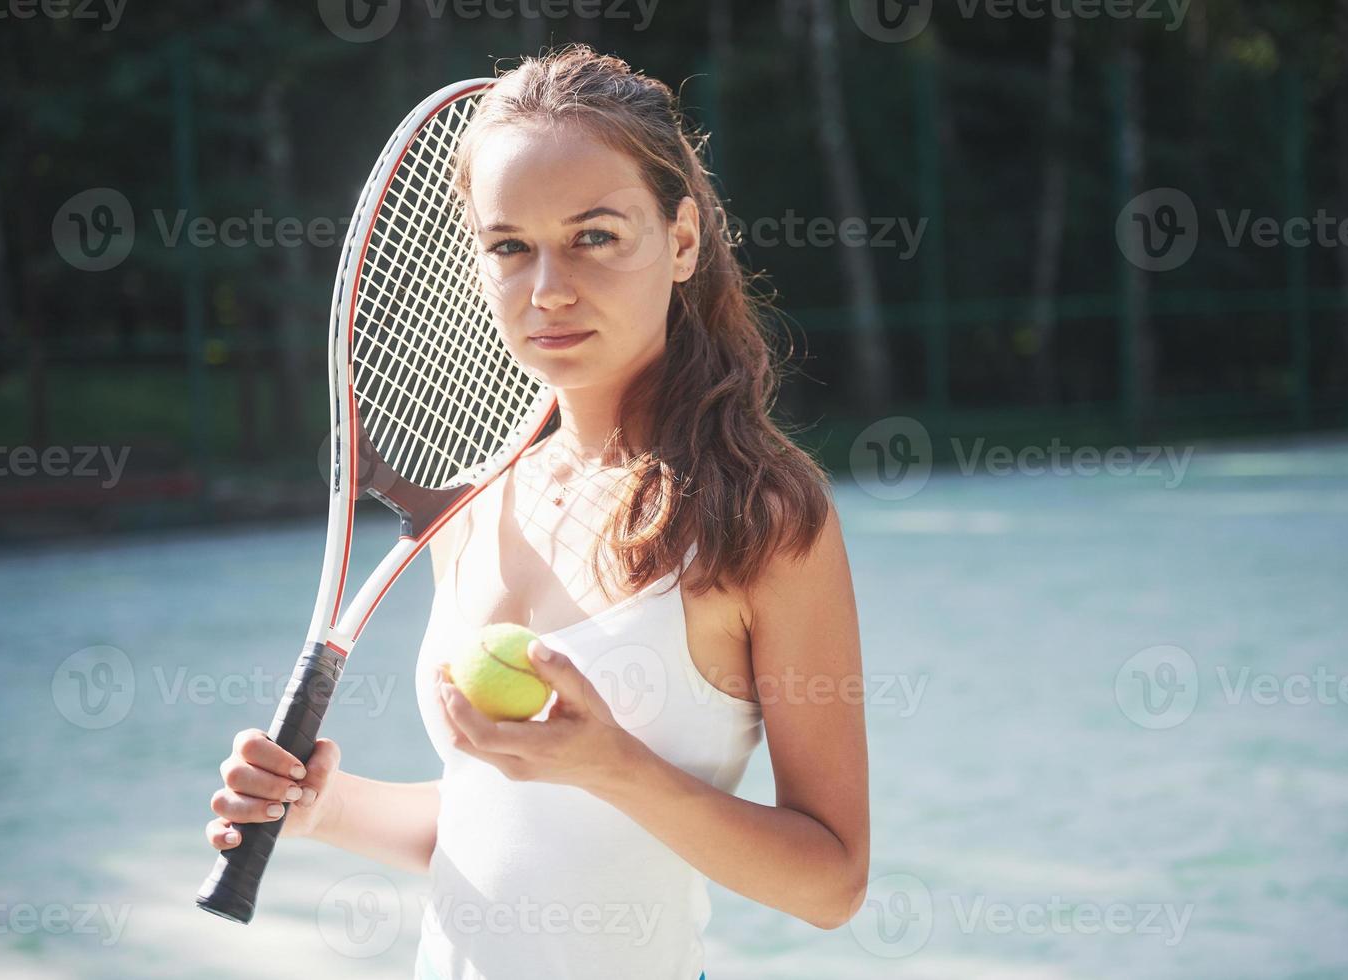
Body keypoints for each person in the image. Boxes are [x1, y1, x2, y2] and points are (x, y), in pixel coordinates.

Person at [205, 44, 868, 979]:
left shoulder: (763, 514)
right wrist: (323, 807)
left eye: (594, 236)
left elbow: (832, 882)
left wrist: (612, 764)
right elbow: (495, 820)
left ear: (681, 242)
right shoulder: (473, 503)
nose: (547, 289)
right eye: (509, 246)